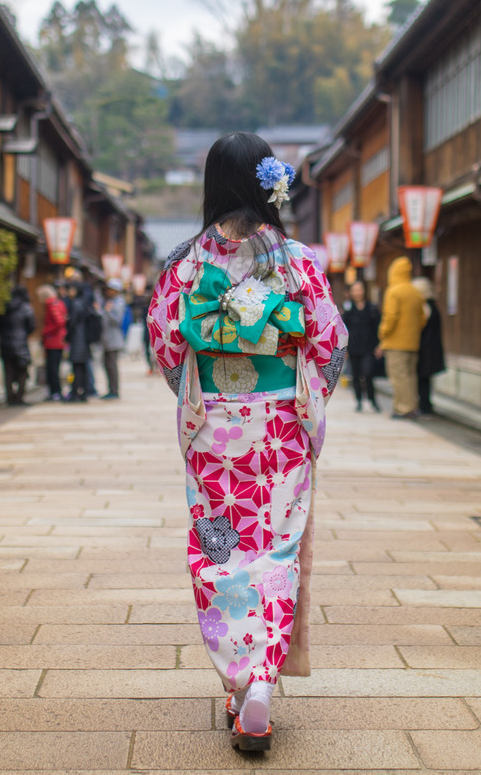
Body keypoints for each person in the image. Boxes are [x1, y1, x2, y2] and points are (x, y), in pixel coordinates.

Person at [147, 132, 346, 754]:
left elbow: (166, 345)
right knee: (276, 549)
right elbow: (331, 342)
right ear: (269, 185)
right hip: (281, 433)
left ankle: (240, 679)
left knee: (219, 546)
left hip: (214, 441)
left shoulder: (185, 263)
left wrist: (201, 391)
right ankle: (262, 680)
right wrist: (305, 394)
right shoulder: (297, 261)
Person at [376, 256, 424, 420]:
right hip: (413, 342)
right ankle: (410, 406)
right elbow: (422, 318)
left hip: (396, 342)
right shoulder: (415, 292)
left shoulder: (394, 291)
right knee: (410, 376)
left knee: (398, 377)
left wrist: (382, 333)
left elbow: (390, 317)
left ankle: (404, 408)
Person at [340, 279, 381, 413]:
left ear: (364, 291)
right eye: (354, 290)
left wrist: (379, 346)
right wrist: (344, 348)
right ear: (351, 292)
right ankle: (358, 401)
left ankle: (372, 400)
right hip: (353, 347)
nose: (357, 292)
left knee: (368, 373)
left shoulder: (372, 308)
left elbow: (378, 328)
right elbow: (342, 329)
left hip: (369, 346)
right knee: (356, 375)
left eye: (360, 289)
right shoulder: (347, 308)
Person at [0, 285, 36, 406]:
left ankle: (10, 398)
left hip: (5, 343)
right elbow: (32, 326)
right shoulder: (26, 308)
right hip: (21, 343)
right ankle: (19, 397)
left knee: (8, 371)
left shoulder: (4, 307)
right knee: (22, 371)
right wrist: (24, 334)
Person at [411, 276, 445, 416]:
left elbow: (420, 327)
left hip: (426, 348)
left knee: (422, 378)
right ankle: (426, 405)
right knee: (425, 378)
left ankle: (425, 406)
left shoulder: (425, 306)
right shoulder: (433, 305)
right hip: (432, 348)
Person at [66, 282, 100, 402]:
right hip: (84, 339)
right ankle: (83, 392)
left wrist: (67, 334)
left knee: (77, 367)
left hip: (78, 339)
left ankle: (76, 392)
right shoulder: (85, 302)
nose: (69, 292)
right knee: (83, 367)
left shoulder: (76, 303)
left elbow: (72, 323)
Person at [38, 284, 68, 402]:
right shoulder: (58, 302)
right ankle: (55, 391)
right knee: (54, 367)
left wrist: (46, 331)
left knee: (52, 368)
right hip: (58, 340)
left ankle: (55, 392)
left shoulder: (51, 304)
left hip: (53, 341)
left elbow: (59, 322)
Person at [100, 278, 127, 399]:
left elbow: (118, 320)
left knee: (111, 366)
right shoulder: (110, 301)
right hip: (107, 339)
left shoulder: (118, 302)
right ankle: (110, 389)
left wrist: (108, 311)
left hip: (114, 339)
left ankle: (114, 390)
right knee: (107, 365)